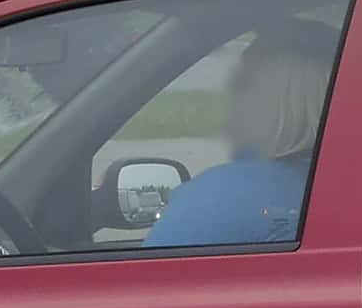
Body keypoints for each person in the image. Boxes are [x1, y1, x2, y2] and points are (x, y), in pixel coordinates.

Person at [141, 30, 332, 247]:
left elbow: (143, 279)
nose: (230, 92)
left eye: (243, 83)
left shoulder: (216, 199)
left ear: (282, 103)